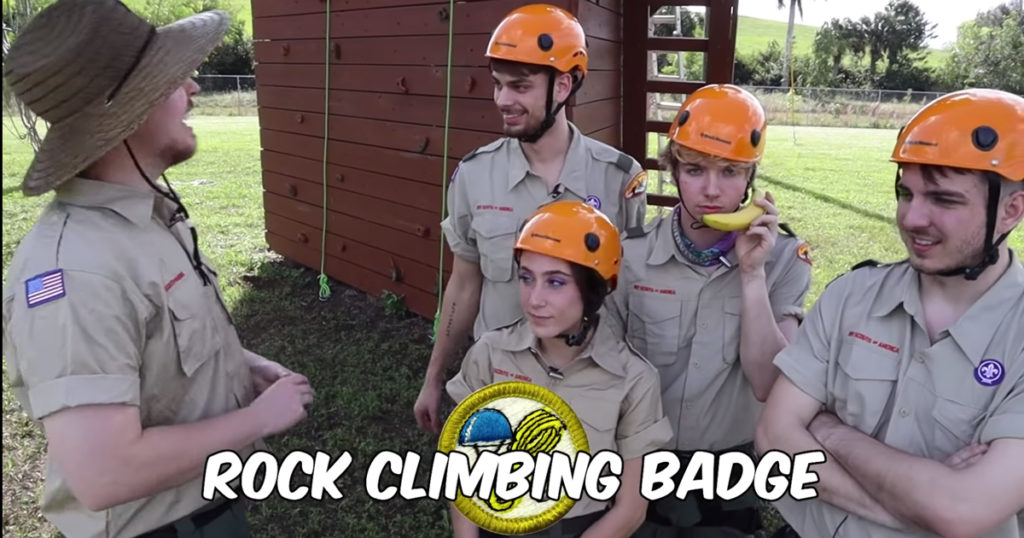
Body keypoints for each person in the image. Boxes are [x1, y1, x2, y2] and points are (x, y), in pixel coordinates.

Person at [1, 1, 315, 537]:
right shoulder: (77, 272)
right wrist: (260, 420)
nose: (192, 87)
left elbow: (154, 343)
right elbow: (104, 473)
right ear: (129, 107)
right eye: (172, 78)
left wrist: (237, 364)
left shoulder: (143, 220)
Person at [755, 88, 1024, 538]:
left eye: (943, 199)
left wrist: (830, 431)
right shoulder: (851, 296)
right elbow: (773, 436)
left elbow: (963, 510)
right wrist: (909, 513)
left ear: (1011, 211)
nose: (911, 218)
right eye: (905, 193)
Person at [415, 3, 650, 434]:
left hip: (595, 402)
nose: (503, 100)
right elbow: (465, 282)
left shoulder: (619, 178)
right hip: (502, 391)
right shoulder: (474, 176)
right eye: (498, 85)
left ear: (563, 86)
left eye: (519, 86)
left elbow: (629, 296)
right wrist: (434, 377)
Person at [602, 84, 813, 537]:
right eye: (695, 170)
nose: (712, 190)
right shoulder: (631, 255)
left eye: (731, 172)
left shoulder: (783, 260)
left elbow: (768, 383)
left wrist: (752, 274)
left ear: (751, 176)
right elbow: (604, 370)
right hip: (642, 454)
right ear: (673, 169)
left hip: (731, 464)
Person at [446, 200, 673, 538]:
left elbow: (631, 508)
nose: (534, 299)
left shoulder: (633, 380)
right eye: (527, 278)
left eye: (555, 282)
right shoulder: (491, 355)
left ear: (593, 288)